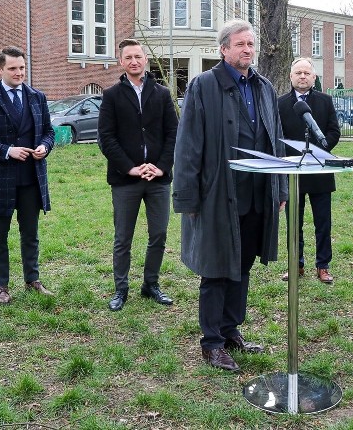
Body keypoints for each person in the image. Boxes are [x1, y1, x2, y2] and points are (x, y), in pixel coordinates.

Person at [173, 19, 288, 372]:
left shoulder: (264, 87)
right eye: (240, 44)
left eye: (251, 44)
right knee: (217, 268)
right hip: (218, 196)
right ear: (223, 49)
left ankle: (230, 330)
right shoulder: (204, 86)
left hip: (257, 195)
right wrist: (188, 198)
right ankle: (211, 343)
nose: (247, 50)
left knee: (244, 264)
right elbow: (188, 145)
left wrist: (280, 188)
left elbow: (277, 140)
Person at [0, 46, 55, 304]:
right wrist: (7, 151)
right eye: (13, 69)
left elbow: (48, 132)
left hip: (31, 178)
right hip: (0, 181)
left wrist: (44, 147)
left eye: (22, 68)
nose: (19, 73)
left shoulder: (37, 97)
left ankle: (32, 280)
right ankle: (1, 286)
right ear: (0, 69)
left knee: (30, 234)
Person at [97, 39, 178, 312]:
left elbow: (173, 135)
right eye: (128, 57)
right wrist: (130, 167)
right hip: (126, 179)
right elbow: (106, 139)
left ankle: (151, 284)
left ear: (146, 60)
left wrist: (162, 166)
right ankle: (121, 289)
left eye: (138, 56)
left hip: (158, 178)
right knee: (123, 238)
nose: (134, 61)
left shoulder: (162, 94)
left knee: (159, 234)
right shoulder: (111, 96)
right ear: (122, 62)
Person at [277, 57, 340, 283]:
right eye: (298, 73)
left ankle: (323, 266)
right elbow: (277, 136)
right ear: (290, 76)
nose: (302, 76)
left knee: (323, 222)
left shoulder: (324, 101)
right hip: (292, 173)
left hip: (320, 170)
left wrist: (320, 151)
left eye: (307, 73)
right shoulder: (280, 103)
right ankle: (296, 264)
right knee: (294, 222)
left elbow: (334, 131)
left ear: (314, 77)